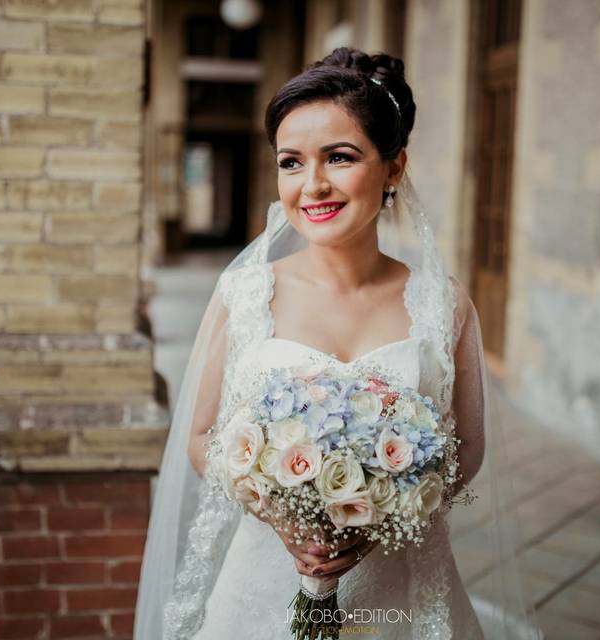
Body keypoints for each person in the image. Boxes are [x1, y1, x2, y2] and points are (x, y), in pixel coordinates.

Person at [134, 47, 537, 640]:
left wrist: (377, 515)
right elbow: (199, 438)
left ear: (394, 168)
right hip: (265, 581)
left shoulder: (441, 304)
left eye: (340, 157)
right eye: (291, 163)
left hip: (398, 591)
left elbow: (466, 448)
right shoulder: (245, 294)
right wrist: (280, 514)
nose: (312, 184)